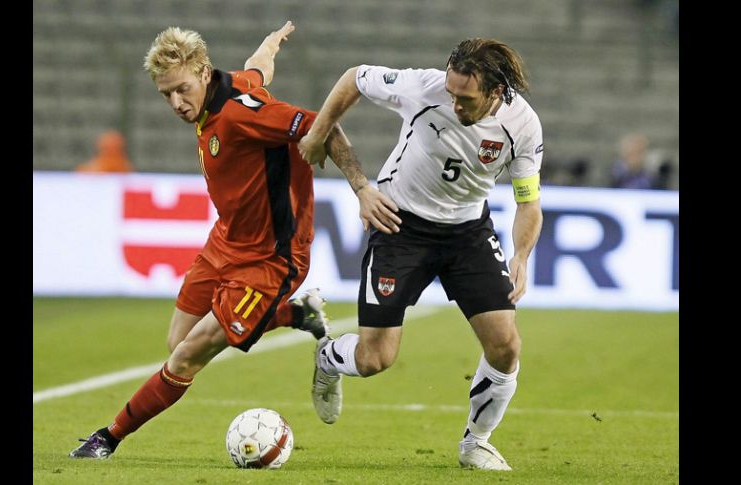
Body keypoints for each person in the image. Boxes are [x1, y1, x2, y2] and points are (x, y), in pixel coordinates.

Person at [69, 21, 356, 459]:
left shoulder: (241, 113)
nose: (176, 103)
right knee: (177, 341)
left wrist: (364, 190)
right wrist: (268, 47)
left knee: (186, 358)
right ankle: (295, 315)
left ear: (204, 72)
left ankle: (107, 438)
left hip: (270, 259)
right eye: (166, 94)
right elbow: (256, 73)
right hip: (225, 241)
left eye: (182, 89)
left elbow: (322, 126)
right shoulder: (225, 88)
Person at [298, 38, 544, 471]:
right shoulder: (424, 88)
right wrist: (321, 138)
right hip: (400, 226)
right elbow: (354, 77)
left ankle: (476, 442)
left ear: (495, 91)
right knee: (376, 359)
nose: (453, 103)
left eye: (464, 98)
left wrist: (521, 256)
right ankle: (327, 357)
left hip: (468, 233)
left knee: (506, 346)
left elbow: (528, 202)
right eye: (450, 92)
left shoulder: (523, 125)